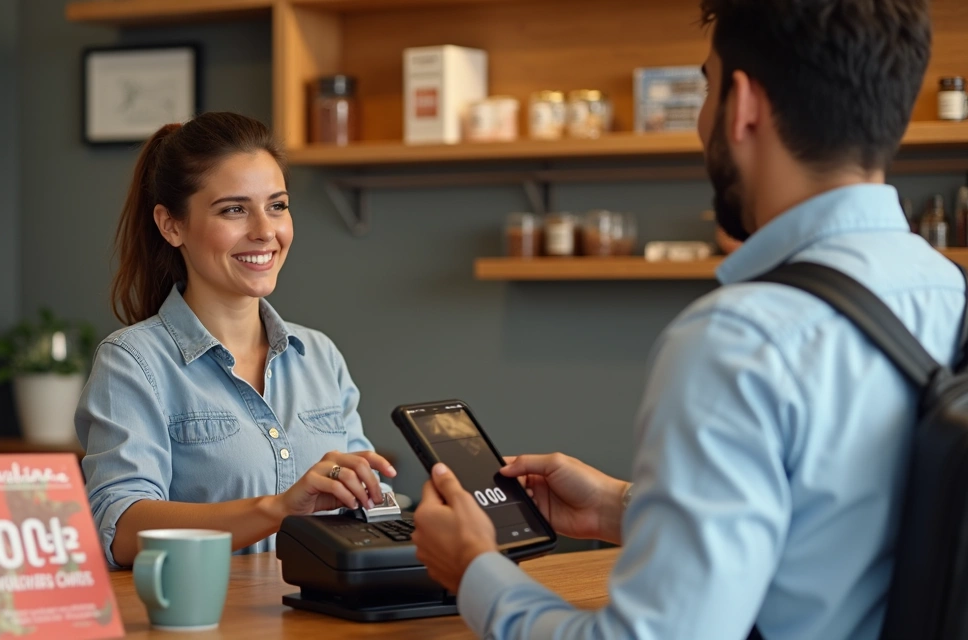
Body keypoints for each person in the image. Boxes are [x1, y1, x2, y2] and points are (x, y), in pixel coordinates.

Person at [411, 1, 949, 639]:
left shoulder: (739, 339)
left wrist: (474, 570)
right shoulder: (947, 290)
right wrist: (617, 507)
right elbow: (847, 534)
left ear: (742, 105)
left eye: (707, 87)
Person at [75, 112, 396, 569]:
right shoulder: (133, 362)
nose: (265, 231)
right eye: (234, 209)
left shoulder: (320, 355)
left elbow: (362, 502)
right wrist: (277, 508)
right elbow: (122, 529)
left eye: (277, 206)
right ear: (172, 226)